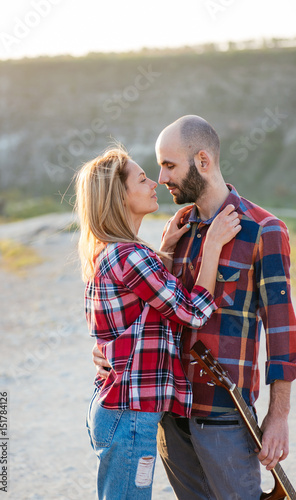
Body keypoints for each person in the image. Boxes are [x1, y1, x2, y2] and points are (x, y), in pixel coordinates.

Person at [93, 117, 296, 499]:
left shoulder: (263, 230)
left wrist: (279, 415)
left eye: (169, 165)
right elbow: (150, 309)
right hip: (170, 417)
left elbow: (281, 331)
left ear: (202, 161)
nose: (161, 177)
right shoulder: (179, 230)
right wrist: (109, 351)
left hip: (225, 416)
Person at [75, 146, 241, 500]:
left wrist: (165, 246)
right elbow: (193, 312)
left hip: (117, 408)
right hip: (131, 415)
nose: (155, 183)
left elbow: (143, 312)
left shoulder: (112, 252)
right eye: (141, 178)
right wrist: (212, 245)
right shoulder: (133, 256)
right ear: (120, 195)